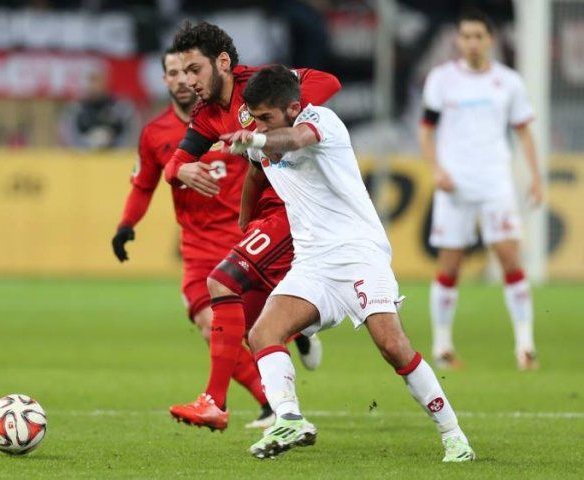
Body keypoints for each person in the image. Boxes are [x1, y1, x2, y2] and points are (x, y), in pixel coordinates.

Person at [222, 64, 474, 462]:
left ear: (292, 107)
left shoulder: (320, 121)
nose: (260, 124)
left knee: (392, 346)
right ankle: (290, 419)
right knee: (262, 333)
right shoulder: (261, 136)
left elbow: (294, 140)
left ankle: (453, 434)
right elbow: (256, 172)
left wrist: (254, 135)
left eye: (267, 117)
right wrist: (244, 220)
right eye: (254, 117)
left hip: (359, 253)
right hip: (313, 263)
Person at [161, 21, 340, 431]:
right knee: (251, 321)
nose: (189, 82)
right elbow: (174, 163)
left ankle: (214, 402)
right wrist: (182, 172)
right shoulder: (208, 116)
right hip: (271, 213)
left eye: (195, 70)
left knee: (221, 282)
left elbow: (328, 82)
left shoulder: (260, 86)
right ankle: (289, 394)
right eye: (182, 73)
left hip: (295, 209)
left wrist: (282, 121)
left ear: (222, 62)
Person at [113, 48, 275, 428]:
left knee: (259, 328)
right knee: (210, 325)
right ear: (165, 80)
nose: (182, 79)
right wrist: (126, 225)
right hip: (199, 248)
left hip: (243, 239)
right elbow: (143, 185)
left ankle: (299, 336)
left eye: (188, 71)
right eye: (172, 72)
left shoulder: (232, 116)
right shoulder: (155, 133)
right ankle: (270, 403)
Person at [418, 9, 541, 371]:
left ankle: (525, 345)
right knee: (449, 266)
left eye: (478, 36)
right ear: (458, 40)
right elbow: (426, 129)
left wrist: (535, 177)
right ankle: (442, 347)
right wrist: (436, 169)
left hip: (494, 183)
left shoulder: (509, 82)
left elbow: (523, 131)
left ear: (490, 40)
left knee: (509, 259)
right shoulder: (442, 79)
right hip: (454, 185)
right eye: (466, 36)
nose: (472, 43)